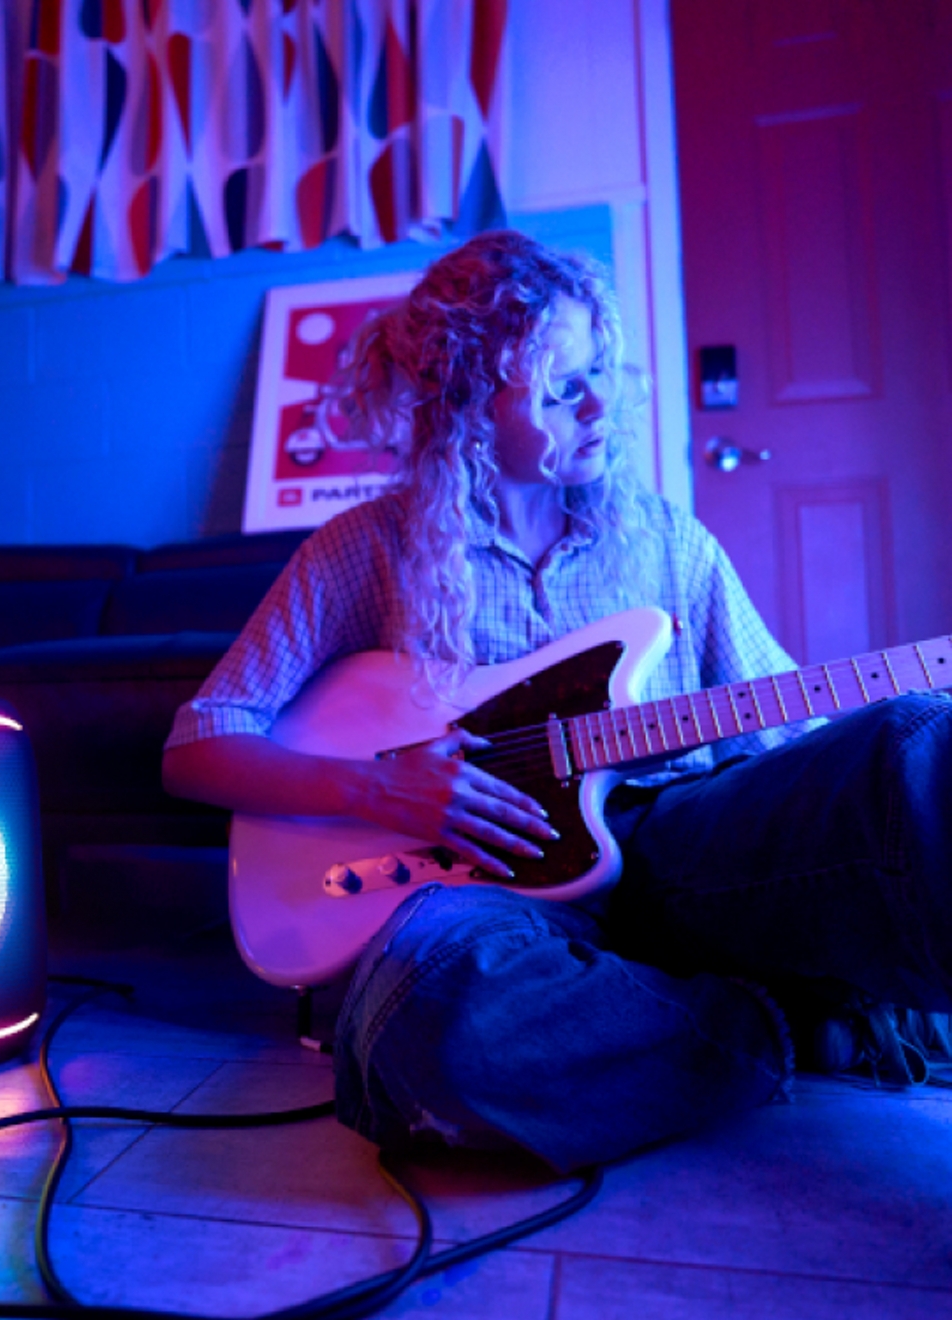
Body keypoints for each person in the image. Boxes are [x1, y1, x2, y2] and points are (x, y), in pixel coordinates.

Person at [161, 230, 952, 1173]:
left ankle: (673, 1023)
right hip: (494, 898)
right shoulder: (362, 550)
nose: (601, 404)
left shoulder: (667, 539)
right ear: (464, 407)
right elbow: (198, 744)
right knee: (436, 1012)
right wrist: (379, 789)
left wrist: (845, 779)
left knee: (912, 747)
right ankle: (783, 1021)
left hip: (680, 849)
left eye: (601, 370)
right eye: (561, 388)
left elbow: (792, 725)